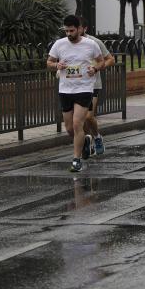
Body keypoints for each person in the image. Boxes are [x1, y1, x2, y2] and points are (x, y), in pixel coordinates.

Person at [47, 15, 105, 172]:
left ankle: (76, 160)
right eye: (66, 31)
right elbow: (49, 62)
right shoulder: (59, 44)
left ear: (79, 29)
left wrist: (95, 68)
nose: (68, 34)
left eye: (71, 31)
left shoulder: (91, 44)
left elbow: (101, 61)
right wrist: (56, 65)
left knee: (77, 123)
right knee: (69, 129)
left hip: (84, 88)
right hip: (65, 89)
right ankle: (85, 140)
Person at [80, 17, 116, 156]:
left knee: (89, 116)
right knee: (80, 118)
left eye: (78, 28)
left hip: (92, 84)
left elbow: (110, 60)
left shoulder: (94, 42)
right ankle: (87, 140)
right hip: (75, 86)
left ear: (84, 28)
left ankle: (97, 137)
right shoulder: (67, 43)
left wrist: (97, 68)